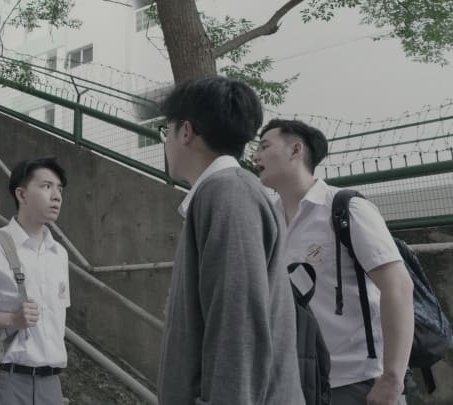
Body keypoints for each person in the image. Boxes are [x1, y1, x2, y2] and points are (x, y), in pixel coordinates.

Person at [156, 77, 304, 405]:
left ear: (186, 132)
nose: (165, 143)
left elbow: (238, 325)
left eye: (166, 131)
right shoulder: (225, 191)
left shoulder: (228, 193)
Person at [254, 119, 414, 405]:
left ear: (296, 150)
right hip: (297, 381)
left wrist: (392, 378)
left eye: (265, 146)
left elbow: (399, 287)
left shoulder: (345, 209)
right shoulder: (270, 223)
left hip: (359, 383)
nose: (256, 156)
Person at [0, 157, 69, 405]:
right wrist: (12, 320)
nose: (56, 196)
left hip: (51, 384)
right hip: (4, 380)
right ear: (21, 194)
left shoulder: (60, 254)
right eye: (46, 186)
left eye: (59, 189)